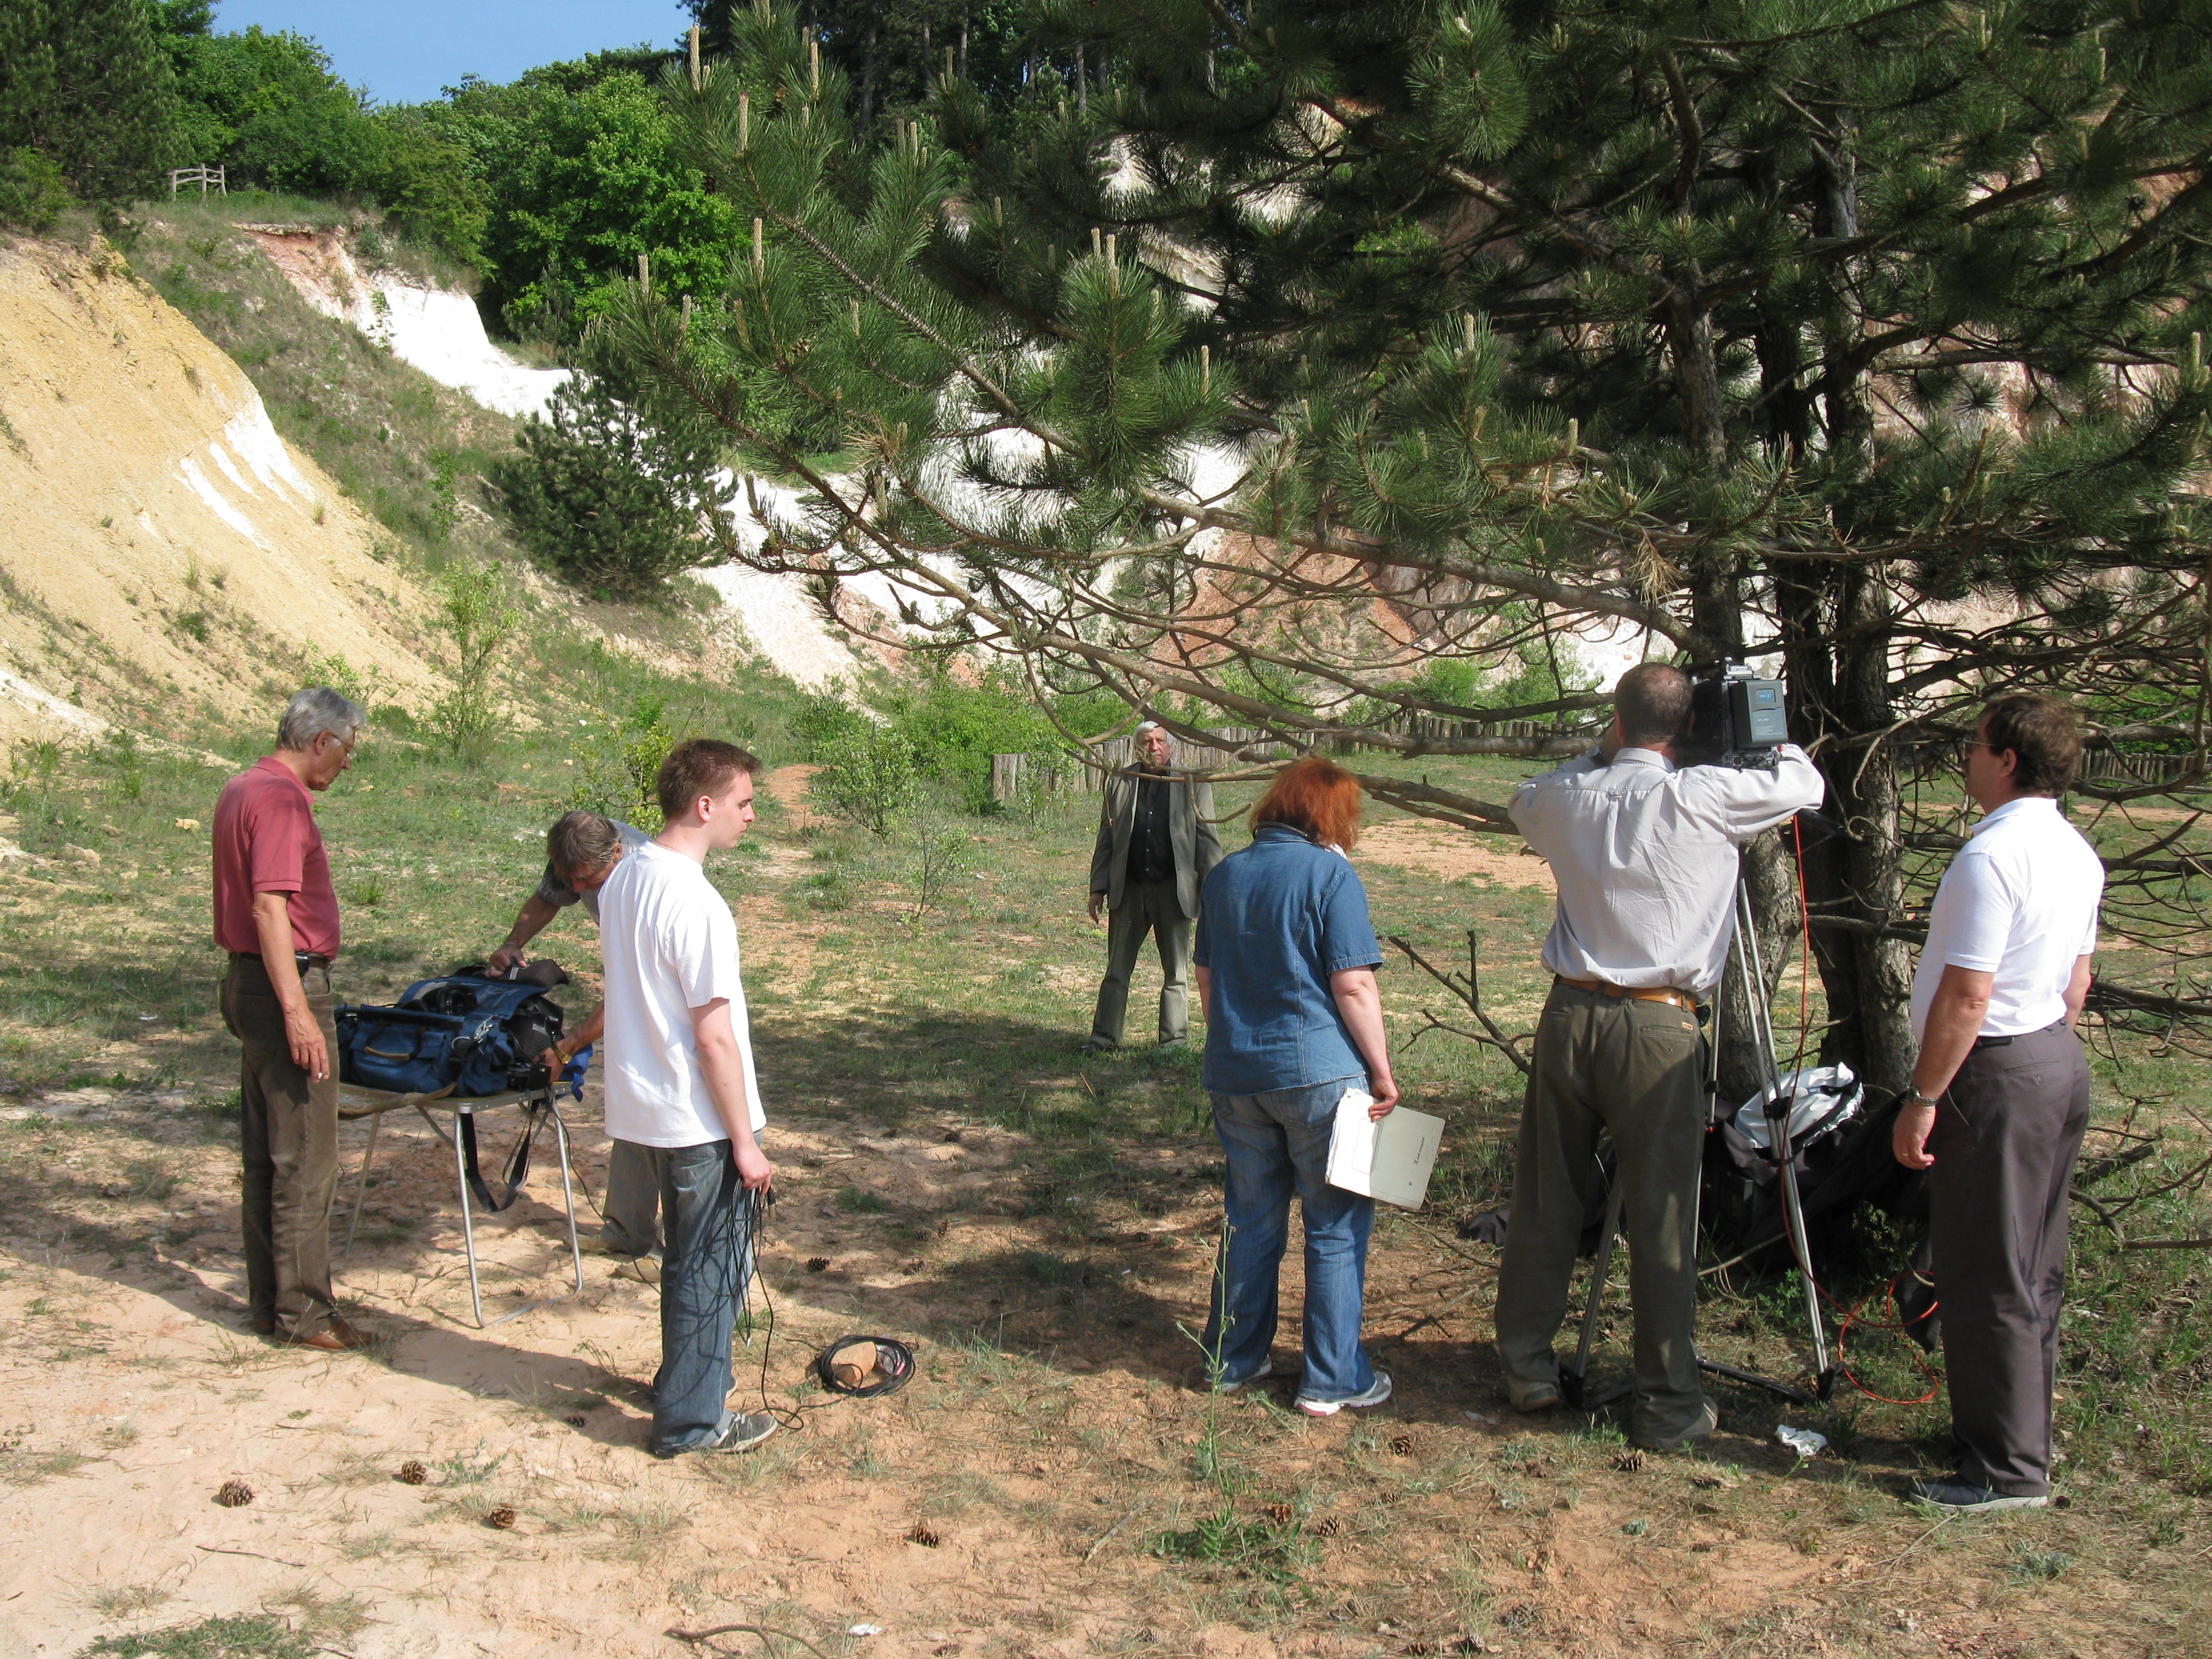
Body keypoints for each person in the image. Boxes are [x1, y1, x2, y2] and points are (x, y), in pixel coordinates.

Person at [1495, 663, 1824, 1449]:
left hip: (1570, 1013)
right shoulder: (1706, 795)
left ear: (1616, 719)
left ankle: (1527, 1365)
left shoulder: (1569, 797)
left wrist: (1602, 752)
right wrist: (1753, 737)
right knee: (1664, 1214)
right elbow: (1803, 785)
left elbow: (1523, 800)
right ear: (1682, 729)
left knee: (1548, 1193)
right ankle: (1669, 1402)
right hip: (1660, 1026)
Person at [1892, 695, 2102, 1513]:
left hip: (1996, 1072)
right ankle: (2012, 1433)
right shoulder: (2078, 853)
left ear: (2008, 760)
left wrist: (1924, 1096)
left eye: (1976, 746)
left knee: (1985, 1271)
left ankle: (2006, 1470)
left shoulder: (1991, 858)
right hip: (2053, 1057)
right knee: (2032, 1265)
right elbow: (2076, 981)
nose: (1968, 759)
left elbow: (1969, 995)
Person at [1192, 757, 1399, 1417]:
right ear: (1331, 816)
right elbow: (1354, 983)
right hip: (1319, 1075)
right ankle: (1332, 1378)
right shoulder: (1331, 875)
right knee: (1335, 1224)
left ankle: (1232, 1358)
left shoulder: (1223, 876)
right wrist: (1383, 1073)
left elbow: (1205, 980)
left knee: (1249, 1220)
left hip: (1237, 1072)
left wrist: (1235, 1041)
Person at [596, 739, 779, 1456]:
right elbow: (715, 1038)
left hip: (645, 1112)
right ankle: (693, 1422)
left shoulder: (623, 877)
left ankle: (685, 1385)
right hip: (696, 1118)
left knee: (687, 1262)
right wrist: (745, 1142)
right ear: (705, 806)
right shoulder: (698, 903)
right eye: (743, 803)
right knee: (711, 1266)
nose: (751, 817)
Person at [211, 686, 372, 1351]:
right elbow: (270, 910)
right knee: (306, 1156)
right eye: (347, 751)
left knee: (267, 1153)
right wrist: (299, 1012)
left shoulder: (241, 787)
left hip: (248, 982)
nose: (347, 765)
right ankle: (305, 1313)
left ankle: (268, 1302)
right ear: (320, 742)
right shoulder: (280, 801)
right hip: (283, 983)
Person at [488, 810, 661, 1260]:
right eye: (573, 880)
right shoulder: (582, 855)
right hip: (636, 981)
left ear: (617, 855)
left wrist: (566, 1048)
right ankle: (627, 1234)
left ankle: (679, 1257)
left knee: (668, 1119)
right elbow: (549, 896)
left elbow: (630, 991)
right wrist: (514, 943)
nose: (580, 890)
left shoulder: (645, 884)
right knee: (633, 1108)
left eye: (589, 879)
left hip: (671, 997)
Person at [1085, 720, 1225, 1053]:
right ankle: (1104, 1039)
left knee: (1176, 972)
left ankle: (1173, 1042)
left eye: (1160, 741)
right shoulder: (1120, 781)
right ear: (1137, 747)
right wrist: (1097, 886)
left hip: (1174, 891)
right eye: (1147, 742)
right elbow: (1106, 839)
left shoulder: (1192, 782)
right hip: (1128, 889)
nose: (1154, 747)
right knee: (1117, 970)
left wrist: (1216, 892)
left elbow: (1207, 841)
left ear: (1171, 746)